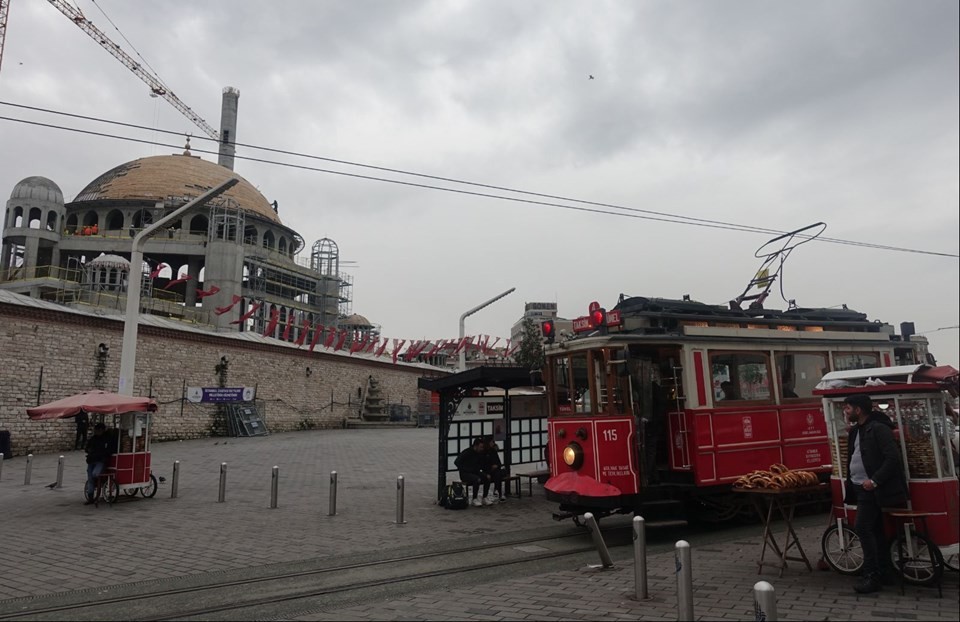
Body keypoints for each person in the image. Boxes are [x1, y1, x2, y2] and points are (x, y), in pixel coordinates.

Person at [842, 394, 908, 594]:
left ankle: (871, 575)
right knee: (876, 530)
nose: (846, 411)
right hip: (859, 486)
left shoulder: (879, 429)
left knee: (862, 528)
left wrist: (875, 480)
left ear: (858, 410)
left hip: (872, 488)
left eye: (848, 408)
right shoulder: (856, 431)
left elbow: (892, 458)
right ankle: (884, 570)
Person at [455, 438, 491, 506]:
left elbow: (482, 464)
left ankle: (485, 497)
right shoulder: (467, 452)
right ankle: (474, 499)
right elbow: (457, 462)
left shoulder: (479, 453)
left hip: (474, 472)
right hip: (465, 474)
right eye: (481, 447)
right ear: (476, 446)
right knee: (477, 479)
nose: (482, 449)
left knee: (487, 477)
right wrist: (465, 469)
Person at [84, 423, 114, 504]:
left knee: (95, 474)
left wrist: (103, 455)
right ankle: (90, 497)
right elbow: (87, 447)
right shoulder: (93, 439)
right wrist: (89, 450)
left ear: (102, 430)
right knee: (90, 478)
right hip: (91, 460)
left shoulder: (107, 439)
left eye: (97, 430)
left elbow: (109, 450)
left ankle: (99, 484)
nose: (96, 431)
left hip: (100, 461)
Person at [481, 436, 506, 502]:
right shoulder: (483, 452)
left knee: (498, 473)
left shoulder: (493, 451)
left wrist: (496, 466)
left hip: (495, 471)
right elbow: (482, 465)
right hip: (487, 471)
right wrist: (491, 467)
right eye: (492, 442)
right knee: (497, 474)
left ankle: (498, 491)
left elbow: (499, 463)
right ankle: (498, 491)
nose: (493, 443)